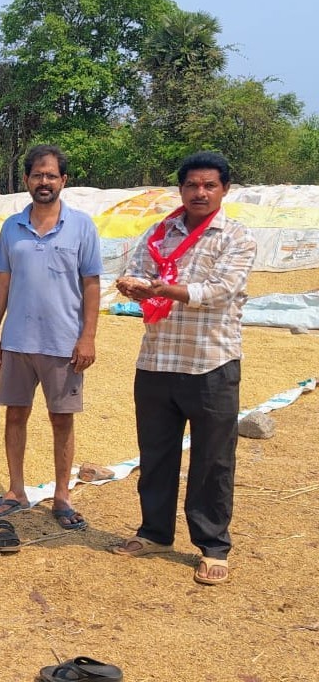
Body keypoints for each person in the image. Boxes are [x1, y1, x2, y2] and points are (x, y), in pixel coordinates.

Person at [111, 151, 255, 586]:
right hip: (157, 359)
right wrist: (134, 286)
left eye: (209, 185)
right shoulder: (161, 232)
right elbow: (137, 270)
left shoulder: (236, 237)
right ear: (181, 189)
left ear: (225, 189)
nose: (200, 192)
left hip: (211, 362)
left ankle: (213, 546)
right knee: (156, 453)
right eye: (192, 185)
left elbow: (220, 290)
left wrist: (163, 289)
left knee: (213, 459)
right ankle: (155, 533)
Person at [0, 144, 102, 529]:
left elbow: (92, 284)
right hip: (17, 340)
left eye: (51, 175)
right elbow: (3, 280)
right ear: (26, 180)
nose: (44, 181)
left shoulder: (81, 226)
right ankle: (15, 490)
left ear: (64, 180)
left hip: (63, 342)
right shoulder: (11, 227)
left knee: (61, 418)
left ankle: (62, 496)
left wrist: (88, 337)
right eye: (37, 175)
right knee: (15, 414)